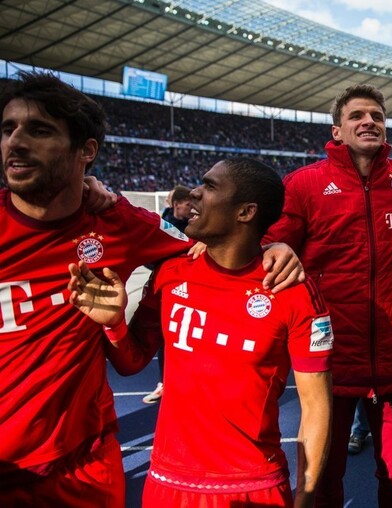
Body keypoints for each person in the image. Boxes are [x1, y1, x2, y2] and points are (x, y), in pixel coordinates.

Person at [0, 72, 302, 507]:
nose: (15, 141)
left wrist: (273, 247)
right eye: (8, 129)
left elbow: (219, 243)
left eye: (39, 130)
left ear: (87, 151)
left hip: (84, 464)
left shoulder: (119, 223)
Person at [68, 157, 333, 507]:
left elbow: (316, 407)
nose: (193, 192)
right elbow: (131, 363)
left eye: (209, 186)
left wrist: (306, 499)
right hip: (167, 483)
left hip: (254, 486)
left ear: (245, 212)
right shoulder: (171, 272)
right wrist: (114, 324)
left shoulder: (293, 290)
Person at [263, 84, 392, 507]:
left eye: (376, 115)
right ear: (337, 131)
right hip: (329, 361)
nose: (368, 121)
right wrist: (272, 245)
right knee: (323, 475)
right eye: (356, 115)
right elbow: (268, 245)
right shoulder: (304, 184)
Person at [143, 184, 193, 404]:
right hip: (171, 289)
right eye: (188, 204)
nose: (192, 208)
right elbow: (148, 256)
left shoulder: (194, 225)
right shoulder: (165, 226)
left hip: (190, 287)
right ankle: (165, 383)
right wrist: (166, 266)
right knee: (168, 336)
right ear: (177, 204)